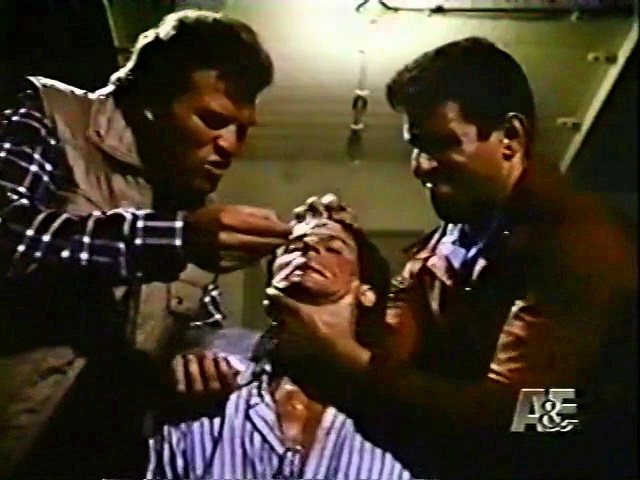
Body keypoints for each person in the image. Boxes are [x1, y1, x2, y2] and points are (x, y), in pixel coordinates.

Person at [264, 37, 638, 479]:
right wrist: (355, 262)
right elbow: (396, 359)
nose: (421, 166)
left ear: (510, 138)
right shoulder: (443, 246)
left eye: (442, 144)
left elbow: (528, 416)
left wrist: (353, 369)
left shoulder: (579, 242)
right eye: (416, 146)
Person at [0, 9, 291, 479]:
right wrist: (176, 238)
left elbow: (197, 328)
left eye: (243, 129)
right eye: (213, 120)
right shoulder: (51, 115)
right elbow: (9, 239)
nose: (230, 146)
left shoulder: (193, 209)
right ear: (152, 102)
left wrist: (202, 362)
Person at [146, 194, 417, 480]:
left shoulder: (394, 411)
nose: (309, 248)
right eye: (293, 246)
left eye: (333, 248)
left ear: (366, 292)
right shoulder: (212, 389)